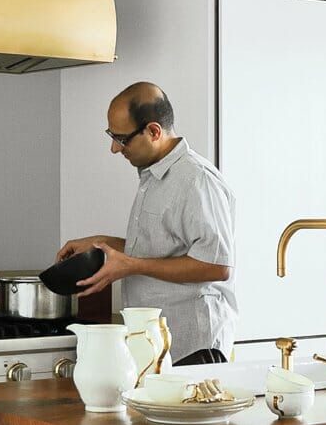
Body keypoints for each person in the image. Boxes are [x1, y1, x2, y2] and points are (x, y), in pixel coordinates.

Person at [55, 82, 237, 366]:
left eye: (122, 139)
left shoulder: (196, 180)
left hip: (192, 348)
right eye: (111, 136)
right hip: (159, 346)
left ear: (153, 131)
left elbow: (217, 265)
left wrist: (132, 265)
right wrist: (102, 244)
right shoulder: (154, 176)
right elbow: (165, 248)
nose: (114, 148)